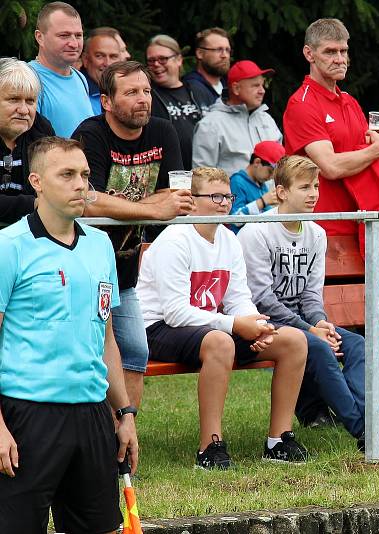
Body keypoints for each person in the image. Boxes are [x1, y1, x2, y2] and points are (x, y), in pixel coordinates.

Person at [283, 19, 379, 423]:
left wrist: (373, 149)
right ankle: (317, 408)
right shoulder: (302, 104)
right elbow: (331, 166)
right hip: (321, 230)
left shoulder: (350, 102)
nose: (339, 59)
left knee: (369, 321)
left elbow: (356, 158)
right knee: (320, 319)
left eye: (344, 51)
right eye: (330, 52)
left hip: (356, 231)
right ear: (309, 54)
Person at [0, 136, 138, 533]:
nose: (81, 184)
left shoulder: (99, 245)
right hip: (27, 415)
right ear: (37, 182)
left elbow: (107, 337)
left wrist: (124, 413)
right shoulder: (10, 247)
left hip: (92, 414)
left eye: (85, 175)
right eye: (67, 175)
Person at [238, 155, 379, 451]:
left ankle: (377, 418)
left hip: (305, 324)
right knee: (323, 348)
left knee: (357, 344)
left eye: (315, 186)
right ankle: (364, 428)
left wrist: (320, 322)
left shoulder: (316, 233)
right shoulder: (257, 232)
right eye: (304, 187)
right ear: (282, 191)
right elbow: (263, 300)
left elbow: (312, 293)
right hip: (265, 326)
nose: (313, 194)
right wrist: (310, 331)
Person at [137, 166, 310, 467]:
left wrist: (257, 325)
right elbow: (176, 312)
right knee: (221, 343)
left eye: (227, 196)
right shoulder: (175, 240)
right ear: (191, 199)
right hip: (157, 328)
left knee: (293, 340)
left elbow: (238, 298)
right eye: (214, 196)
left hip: (206, 326)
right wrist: (234, 325)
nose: (224, 203)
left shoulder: (229, 240)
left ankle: (278, 441)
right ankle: (210, 448)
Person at [72, 60, 191, 411]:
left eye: (146, 91)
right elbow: (85, 201)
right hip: (84, 267)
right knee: (88, 353)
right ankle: (93, 440)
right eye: (131, 93)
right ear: (107, 101)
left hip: (124, 270)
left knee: (136, 351)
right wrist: (152, 210)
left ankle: (125, 445)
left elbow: (176, 196)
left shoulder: (162, 131)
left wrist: (120, 205)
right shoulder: (90, 134)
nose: (143, 99)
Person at [192, 59, 282, 177]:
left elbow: (281, 166)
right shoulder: (211, 124)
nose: (262, 91)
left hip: (272, 195)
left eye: (262, 84)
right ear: (236, 88)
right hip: (231, 195)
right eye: (255, 86)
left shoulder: (267, 120)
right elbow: (201, 179)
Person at [0, 58, 55, 224]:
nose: (24, 110)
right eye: (14, 99)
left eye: (30, 101)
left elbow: (55, 187)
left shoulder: (41, 131)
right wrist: (35, 204)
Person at [28, 1, 94, 137]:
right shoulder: (28, 79)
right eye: (64, 35)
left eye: (78, 35)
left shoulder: (80, 77)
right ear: (40, 37)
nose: (74, 43)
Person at [146, 34, 204, 169]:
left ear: (179, 59)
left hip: (203, 172)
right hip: (170, 174)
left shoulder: (196, 91)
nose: (156, 64)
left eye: (163, 59)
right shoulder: (147, 96)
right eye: (151, 60)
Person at [229, 140, 285, 232]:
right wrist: (262, 202)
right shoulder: (237, 182)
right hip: (242, 241)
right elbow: (235, 219)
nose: (271, 178)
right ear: (257, 162)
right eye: (270, 172)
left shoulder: (261, 184)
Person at [183, 27, 231, 111]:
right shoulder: (191, 89)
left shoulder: (228, 86)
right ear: (200, 53)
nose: (225, 55)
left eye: (227, 50)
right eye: (219, 50)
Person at [80, 27, 122, 115]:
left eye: (113, 56)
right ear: (85, 59)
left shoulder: (127, 91)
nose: (108, 63)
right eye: (99, 56)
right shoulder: (78, 93)